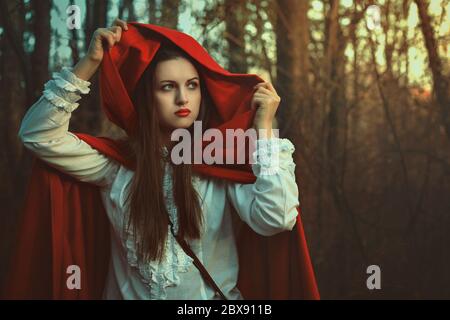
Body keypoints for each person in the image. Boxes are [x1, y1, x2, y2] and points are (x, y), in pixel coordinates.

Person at [9, 19, 319, 300]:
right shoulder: (116, 166)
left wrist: (263, 130)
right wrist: (89, 64)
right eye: (168, 87)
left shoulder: (220, 162)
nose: (183, 98)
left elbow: (276, 219)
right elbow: (38, 136)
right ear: (148, 97)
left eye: (192, 86)